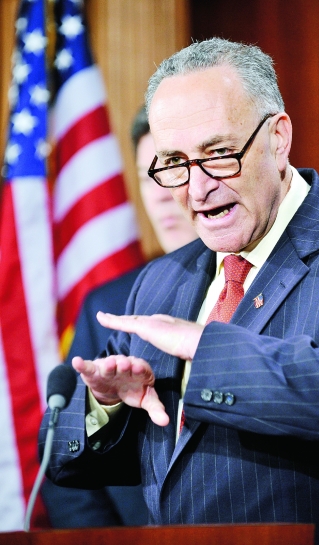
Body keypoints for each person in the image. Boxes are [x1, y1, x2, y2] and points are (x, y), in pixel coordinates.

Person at [40, 38, 319, 544]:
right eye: (174, 161)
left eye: (218, 153)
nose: (196, 188)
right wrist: (105, 405)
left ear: (278, 138)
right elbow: (62, 459)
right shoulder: (163, 280)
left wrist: (204, 346)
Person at [40, 106, 197, 527]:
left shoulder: (266, 286)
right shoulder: (110, 304)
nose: (160, 194)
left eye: (173, 172)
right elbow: (65, 466)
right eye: (148, 177)